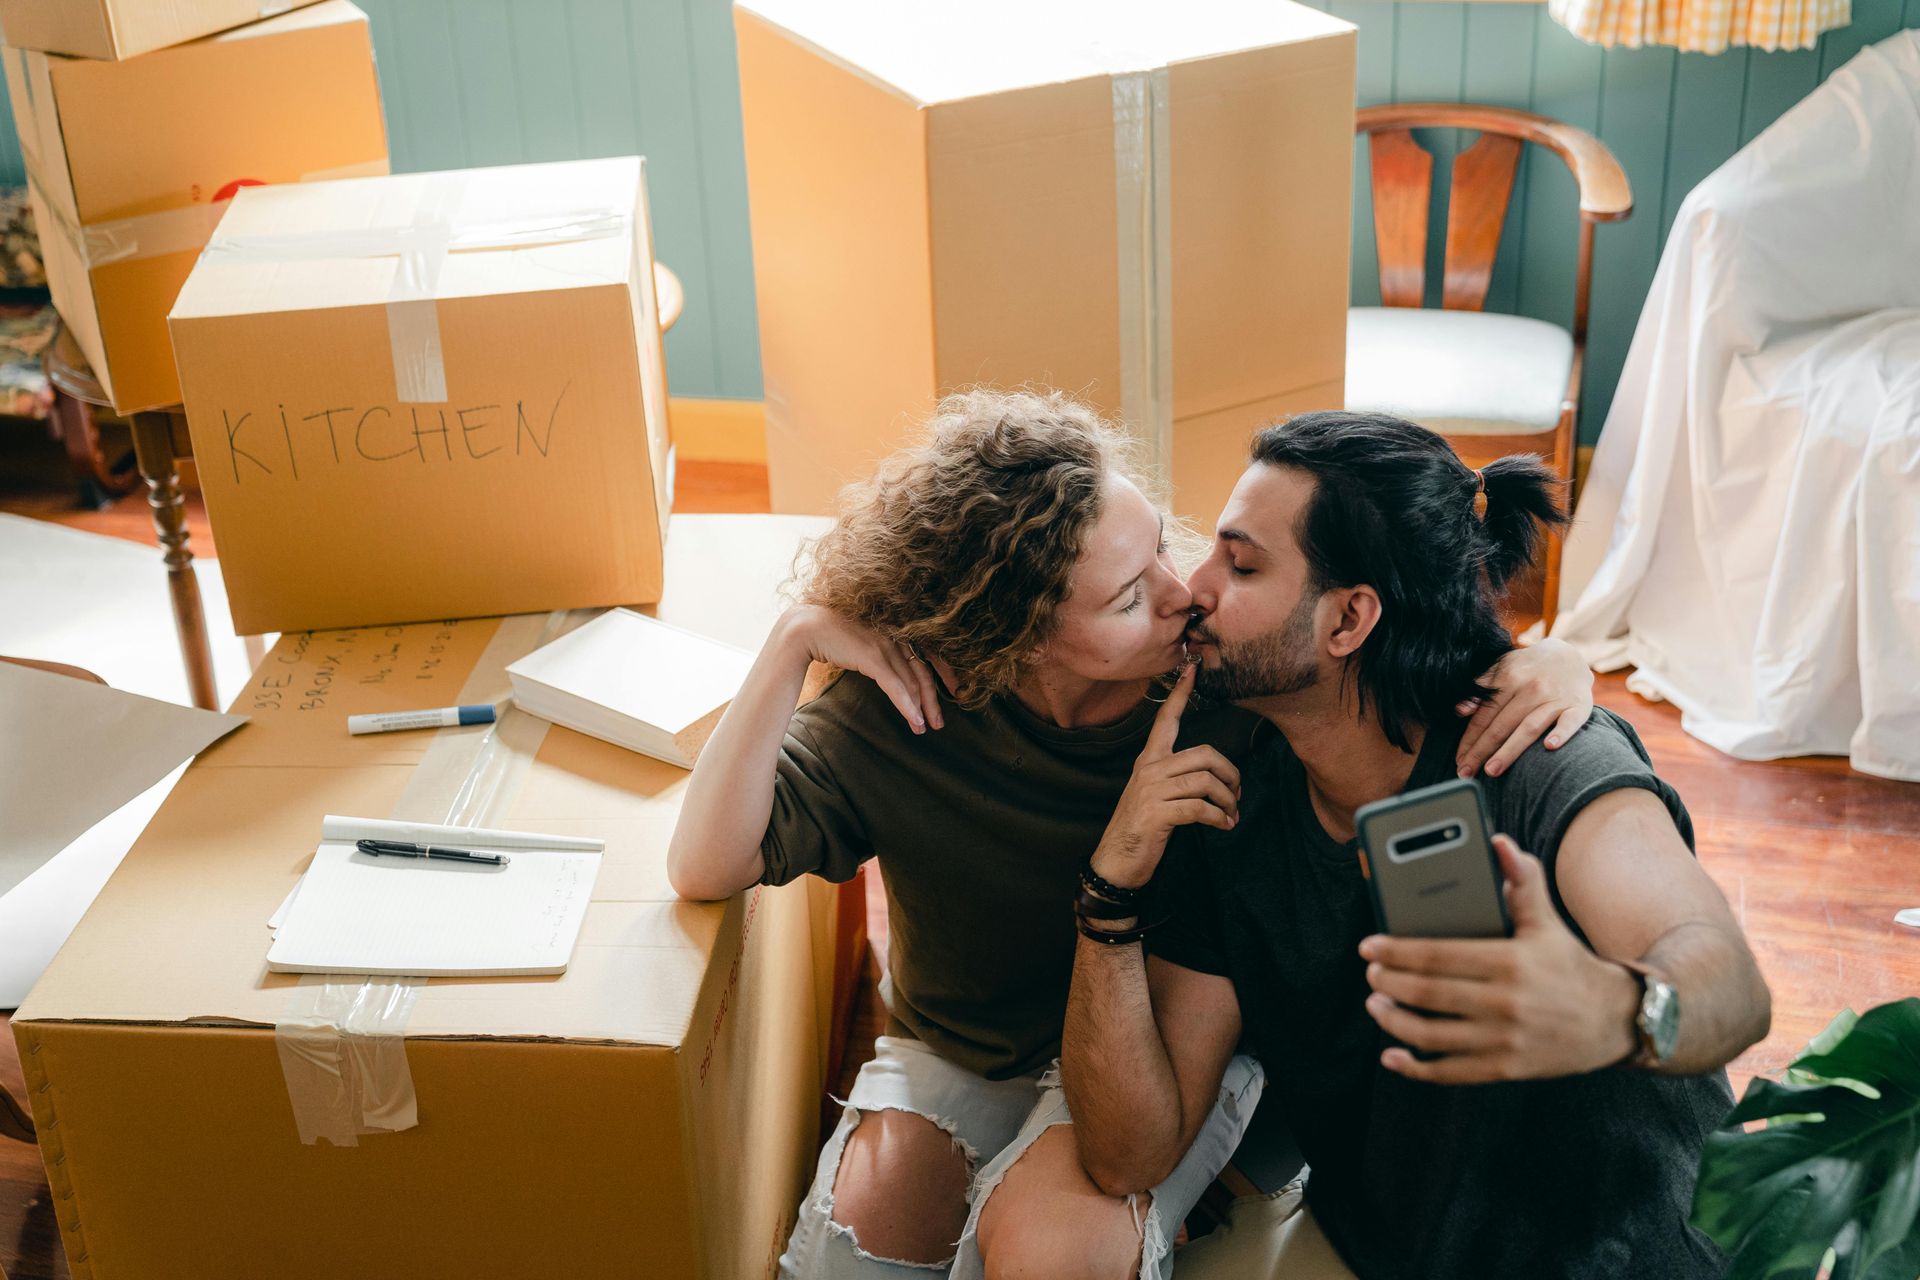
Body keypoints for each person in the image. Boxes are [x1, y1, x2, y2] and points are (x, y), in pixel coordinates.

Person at [667, 391, 1601, 1279]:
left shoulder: (1224, 681)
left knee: (1051, 1242)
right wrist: (794, 640)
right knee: (860, 1245)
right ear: (1014, 639)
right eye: (1125, 599)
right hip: (965, 1047)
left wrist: (1553, 664)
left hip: (1170, 1042)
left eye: (1161, 545)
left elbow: (1392, 655)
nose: (1181, 593)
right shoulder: (912, 706)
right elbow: (705, 863)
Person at [1057, 411, 1773, 1279]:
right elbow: (1132, 1154)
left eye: (1241, 564)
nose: (1192, 588)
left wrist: (1618, 1009)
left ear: (1350, 618)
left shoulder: (1539, 758)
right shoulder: (1227, 792)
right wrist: (1109, 899)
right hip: (1388, 1252)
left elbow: (1726, 980)